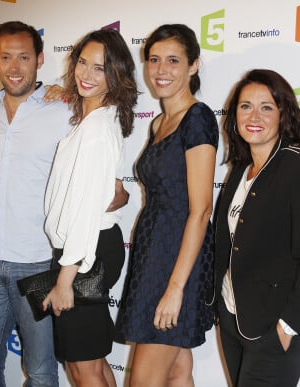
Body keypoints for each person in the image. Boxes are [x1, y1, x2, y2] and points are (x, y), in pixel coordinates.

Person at [0, 21, 129, 387]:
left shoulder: (70, 112)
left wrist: (67, 276)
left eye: (24, 57)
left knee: (52, 368)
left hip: (47, 259)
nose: (14, 66)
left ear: (40, 59)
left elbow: (97, 194)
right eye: (5, 57)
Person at [214, 69, 300, 387]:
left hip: (273, 328)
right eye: (245, 106)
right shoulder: (241, 168)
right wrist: (219, 306)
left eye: (266, 107)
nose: (254, 116)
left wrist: (289, 327)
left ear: (284, 113)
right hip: (232, 317)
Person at [116, 24, 218, 386]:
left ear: (193, 66)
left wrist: (175, 289)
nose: (161, 70)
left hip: (179, 260)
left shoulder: (198, 119)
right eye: (154, 60)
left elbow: (201, 210)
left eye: (174, 60)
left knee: (142, 380)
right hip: (152, 253)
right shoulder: (159, 121)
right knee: (176, 371)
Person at [42, 28, 138, 387]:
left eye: (100, 68)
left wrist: (66, 278)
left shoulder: (97, 127)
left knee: (82, 367)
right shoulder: (98, 117)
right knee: (92, 361)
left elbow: (84, 208)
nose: (86, 74)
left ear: (115, 76)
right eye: (83, 63)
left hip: (83, 252)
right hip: (91, 249)